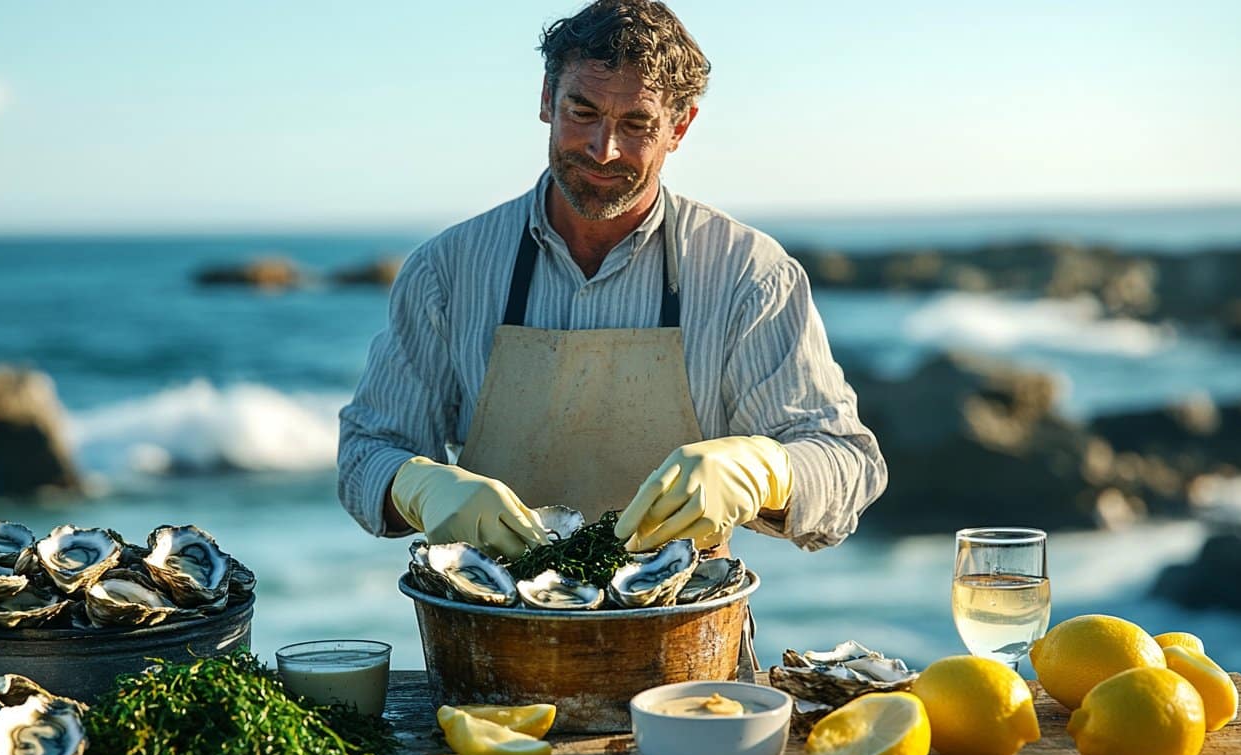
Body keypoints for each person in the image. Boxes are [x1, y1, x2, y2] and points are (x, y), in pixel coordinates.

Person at [338, 0, 885, 560]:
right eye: (582, 111)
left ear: (681, 126)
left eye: (637, 124)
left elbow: (846, 463)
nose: (604, 149)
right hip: (490, 633)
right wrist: (416, 487)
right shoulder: (447, 271)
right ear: (547, 100)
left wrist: (764, 471)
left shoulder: (749, 272)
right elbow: (366, 454)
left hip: (688, 630)